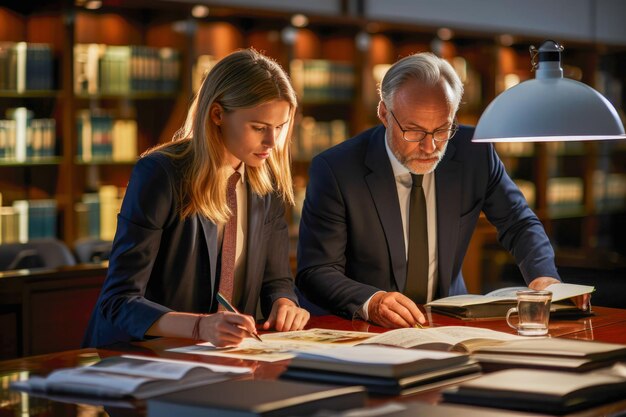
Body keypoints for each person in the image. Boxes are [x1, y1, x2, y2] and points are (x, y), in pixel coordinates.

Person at [297, 51, 588, 328]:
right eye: (413, 131)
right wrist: (371, 301)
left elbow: (519, 222)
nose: (430, 147)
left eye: (442, 130)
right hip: (364, 326)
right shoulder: (337, 169)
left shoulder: (474, 151)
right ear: (384, 113)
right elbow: (316, 271)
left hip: (448, 321)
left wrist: (544, 277)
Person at [83, 48, 310, 348]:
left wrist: (285, 304)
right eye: (258, 128)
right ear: (217, 114)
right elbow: (119, 301)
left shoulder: (266, 185)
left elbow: (276, 279)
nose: (272, 142)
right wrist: (200, 327)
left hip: (219, 357)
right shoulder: (160, 174)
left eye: (279, 128)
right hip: (138, 355)